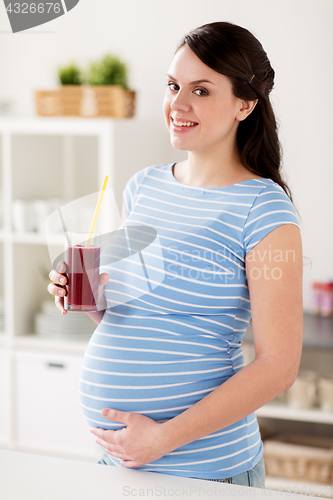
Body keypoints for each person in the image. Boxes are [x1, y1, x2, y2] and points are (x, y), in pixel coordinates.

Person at [48, 22, 303, 487]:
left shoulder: (263, 208)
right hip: (121, 461)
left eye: (201, 91)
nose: (178, 104)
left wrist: (162, 438)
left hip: (204, 471)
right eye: (173, 86)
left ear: (245, 104)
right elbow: (142, 319)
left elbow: (279, 366)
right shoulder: (144, 186)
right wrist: (89, 299)